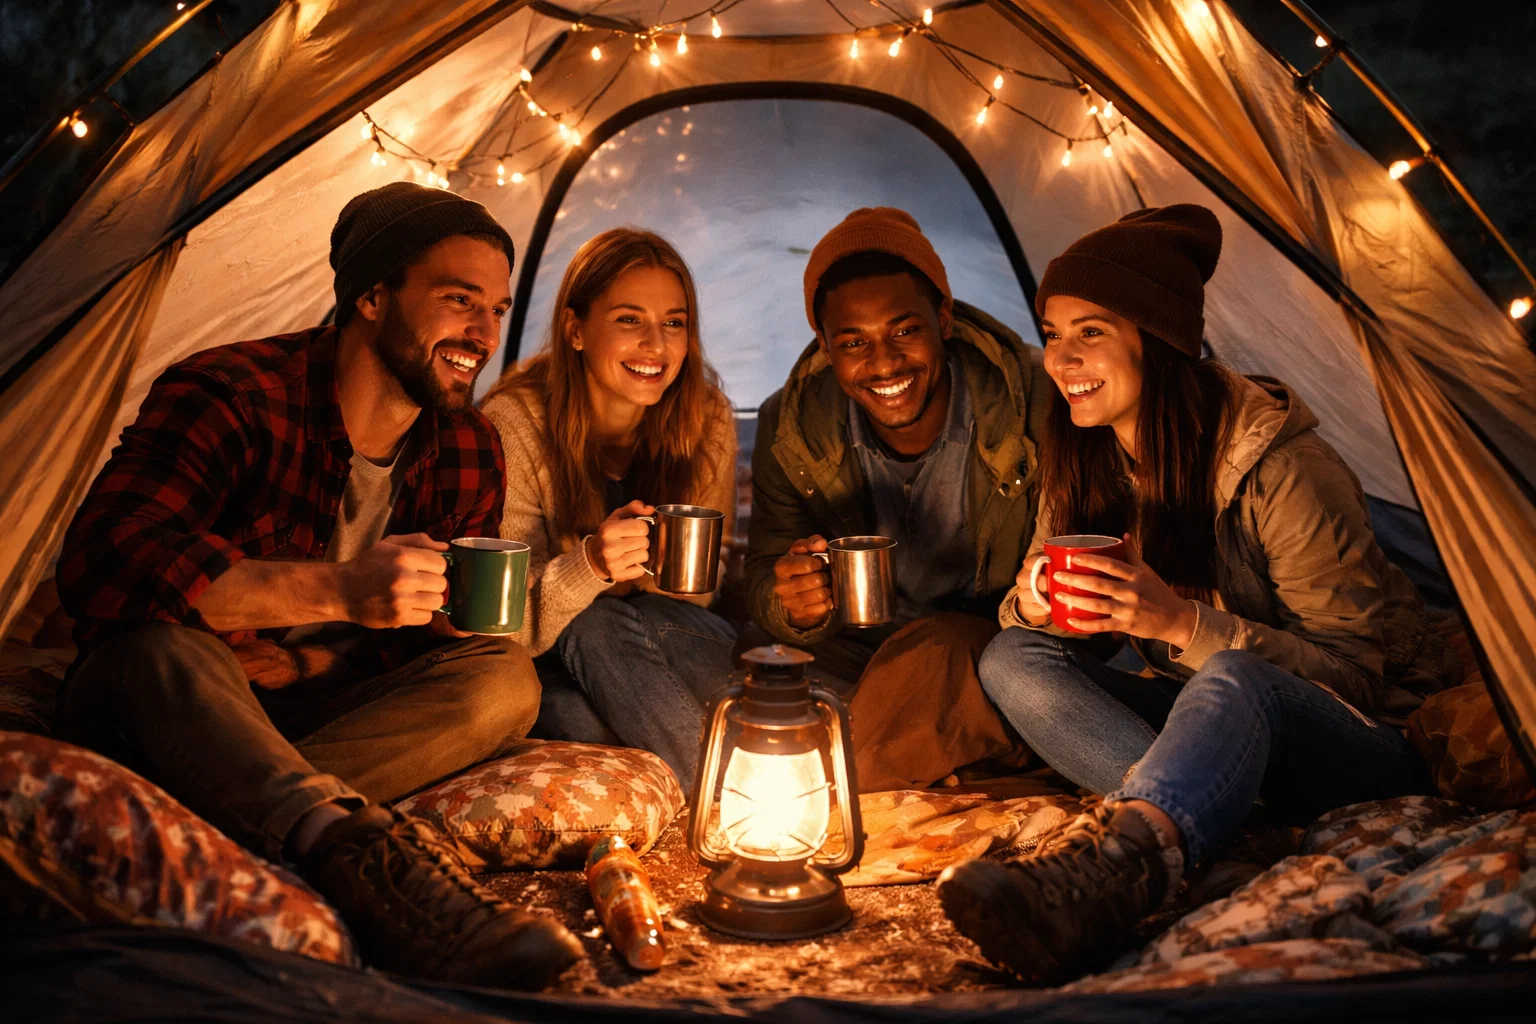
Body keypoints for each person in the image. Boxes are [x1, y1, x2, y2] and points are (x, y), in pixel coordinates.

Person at [54, 183, 583, 990]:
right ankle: (364, 863)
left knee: (501, 679)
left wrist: (328, 660)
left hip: (306, 712)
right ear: (371, 297)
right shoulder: (230, 393)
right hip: (176, 695)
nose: (482, 333)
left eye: (497, 309)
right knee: (161, 649)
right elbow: (106, 561)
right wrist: (339, 592)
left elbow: (395, 651)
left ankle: (253, 819)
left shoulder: (468, 446)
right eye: (457, 301)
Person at [939, 204, 1461, 984]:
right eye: (1051, 333)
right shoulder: (1083, 452)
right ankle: (1206, 823)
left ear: (1158, 340)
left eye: (1090, 332)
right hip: (1206, 727)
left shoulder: (1284, 471)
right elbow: (1024, 611)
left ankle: (1124, 865)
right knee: (1012, 657)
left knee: (1233, 677)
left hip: (1351, 739)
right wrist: (1036, 601)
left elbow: (1357, 677)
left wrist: (1183, 623)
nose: (1060, 359)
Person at [746, 207, 1053, 791]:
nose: (883, 363)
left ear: (944, 318)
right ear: (825, 344)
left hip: (988, 646)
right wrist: (795, 604)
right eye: (854, 342)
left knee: (946, 657)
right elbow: (764, 572)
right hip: (858, 650)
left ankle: (836, 786)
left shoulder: (1034, 402)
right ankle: (918, 751)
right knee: (754, 658)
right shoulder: (788, 426)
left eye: (904, 331)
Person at [480, 229, 737, 787]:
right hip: (550, 657)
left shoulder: (706, 416)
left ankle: (695, 764)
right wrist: (591, 566)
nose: (656, 345)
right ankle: (727, 791)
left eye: (674, 323)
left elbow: (701, 592)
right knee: (580, 666)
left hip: (660, 637)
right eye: (629, 320)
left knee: (606, 696)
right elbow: (504, 625)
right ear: (575, 329)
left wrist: (645, 574)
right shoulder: (515, 423)